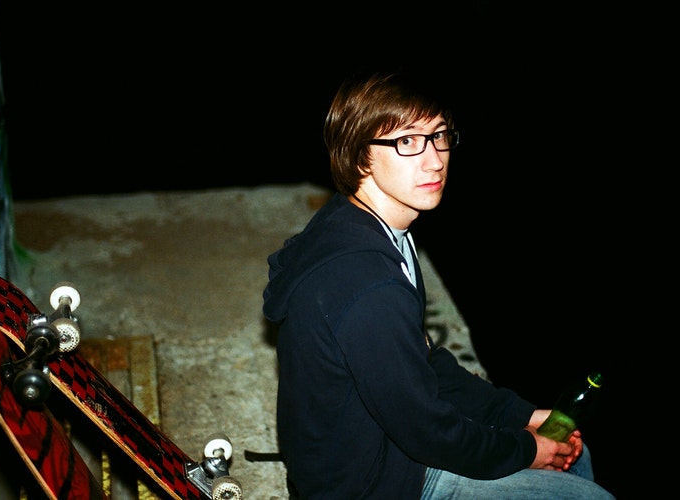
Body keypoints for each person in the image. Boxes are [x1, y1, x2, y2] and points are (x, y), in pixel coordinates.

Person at [262, 67, 615, 499]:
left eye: (439, 136)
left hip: (386, 453)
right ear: (359, 156)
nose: (434, 160)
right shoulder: (368, 285)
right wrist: (525, 448)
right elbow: (428, 431)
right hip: (374, 484)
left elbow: (425, 365)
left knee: (577, 457)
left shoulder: (371, 227)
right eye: (407, 141)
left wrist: (521, 414)